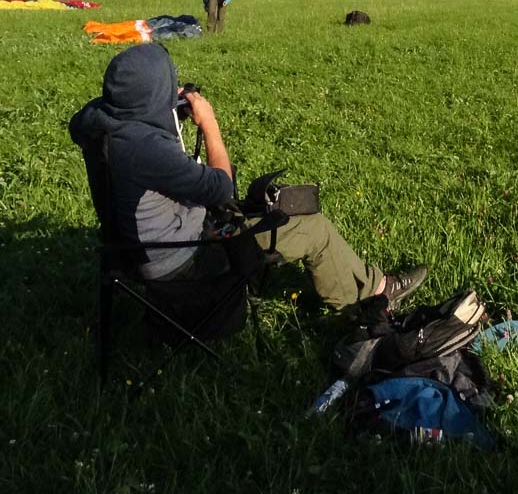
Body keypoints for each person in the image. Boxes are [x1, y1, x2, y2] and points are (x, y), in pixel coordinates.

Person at [70, 43, 426, 310]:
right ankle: (373, 294)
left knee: (266, 206)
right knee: (313, 227)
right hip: (183, 264)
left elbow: (133, 121)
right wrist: (209, 124)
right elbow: (220, 187)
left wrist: (165, 107)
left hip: (134, 252)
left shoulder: (100, 122)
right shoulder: (146, 149)